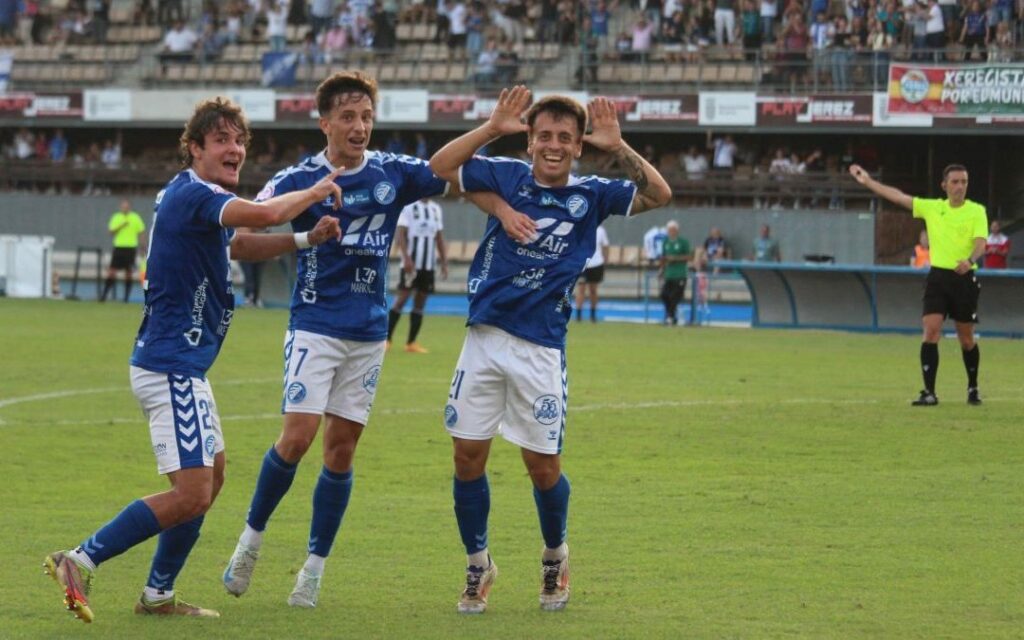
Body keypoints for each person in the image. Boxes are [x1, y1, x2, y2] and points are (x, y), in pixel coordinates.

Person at [44, 97, 343, 624]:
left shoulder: (199, 200)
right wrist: (316, 191)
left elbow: (241, 243)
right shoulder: (197, 194)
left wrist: (303, 238)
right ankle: (79, 560)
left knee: (213, 478)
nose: (235, 150)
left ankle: (158, 594)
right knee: (192, 492)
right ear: (196, 148)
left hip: (183, 365)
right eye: (223, 140)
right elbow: (267, 211)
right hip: (169, 365)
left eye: (240, 141)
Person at [222, 71, 510, 608]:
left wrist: (491, 128)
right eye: (349, 118)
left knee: (341, 450)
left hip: (368, 333)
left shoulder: (392, 173)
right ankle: (249, 542)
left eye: (367, 117)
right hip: (314, 325)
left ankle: (313, 568)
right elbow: (238, 241)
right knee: (298, 437)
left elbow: (448, 169)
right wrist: (305, 235)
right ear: (324, 122)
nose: (360, 127)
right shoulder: (298, 177)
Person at [429, 87, 672, 614]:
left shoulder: (594, 193)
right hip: (483, 340)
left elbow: (659, 194)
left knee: (542, 466)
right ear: (531, 141)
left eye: (566, 136)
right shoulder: (506, 175)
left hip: (540, 349)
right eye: (545, 136)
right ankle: (478, 565)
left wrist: (620, 145)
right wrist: (493, 127)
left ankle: (556, 556)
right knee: (466, 458)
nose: (554, 145)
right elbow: (440, 166)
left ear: (579, 145)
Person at [849, 163, 987, 406]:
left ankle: (973, 387)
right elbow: (899, 197)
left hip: (964, 278)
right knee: (930, 329)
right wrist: (869, 182)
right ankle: (929, 392)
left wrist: (970, 260)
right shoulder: (933, 208)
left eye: (964, 182)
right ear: (944, 185)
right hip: (938, 278)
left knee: (966, 338)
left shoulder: (976, 211)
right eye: (955, 182)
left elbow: (980, 242)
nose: (959, 186)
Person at [387, 197, 449, 352]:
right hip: (411, 264)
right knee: (401, 300)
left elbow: (439, 237)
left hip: (428, 265)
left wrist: (444, 262)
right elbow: (400, 234)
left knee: (420, 302)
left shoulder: (436, 209)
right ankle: (386, 340)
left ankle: (411, 343)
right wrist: (406, 258)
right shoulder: (408, 206)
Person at [100, 199, 147, 303]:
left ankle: (125, 299)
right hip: (119, 247)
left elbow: (141, 232)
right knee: (112, 271)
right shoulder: (116, 217)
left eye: (127, 206)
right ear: (120, 207)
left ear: (129, 207)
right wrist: (121, 225)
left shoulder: (135, 217)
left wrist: (143, 246)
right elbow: (111, 232)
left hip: (131, 248)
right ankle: (103, 296)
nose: (125, 208)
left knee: (128, 273)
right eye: (123, 206)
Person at [575, 223, 609, 322]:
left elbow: (605, 245)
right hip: (583, 264)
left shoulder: (601, 230)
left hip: (596, 263)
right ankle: (578, 316)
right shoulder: (581, 227)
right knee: (581, 289)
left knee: (593, 290)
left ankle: (593, 315)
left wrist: (605, 259)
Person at [660, 221, 691, 325]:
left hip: (680, 274)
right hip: (669, 274)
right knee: (664, 295)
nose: (671, 232)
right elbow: (664, 257)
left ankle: (670, 317)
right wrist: (661, 270)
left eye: (673, 230)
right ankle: (671, 316)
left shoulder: (683, 242)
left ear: (677, 231)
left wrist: (676, 258)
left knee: (674, 296)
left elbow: (690, 256)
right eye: (669, 230)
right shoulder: (666, 242)